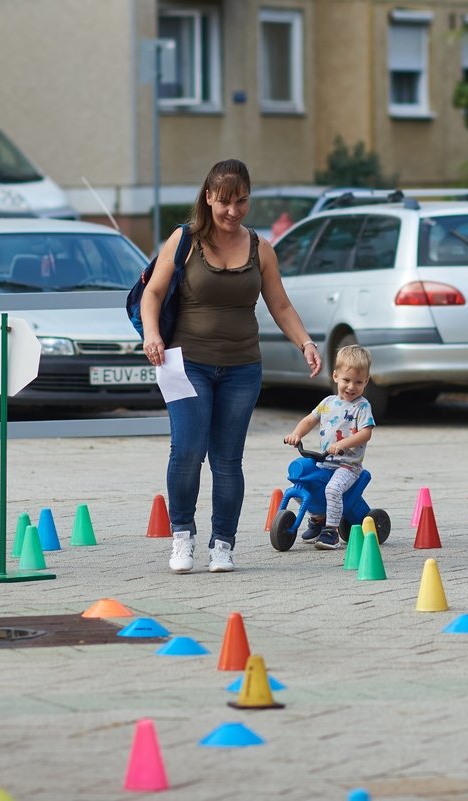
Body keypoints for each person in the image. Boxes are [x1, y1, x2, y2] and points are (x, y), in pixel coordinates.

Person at [141, 158, 322, 574]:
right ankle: (182, 536)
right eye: (224, 201)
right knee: (187, 452)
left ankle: (223, 543)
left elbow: (279, 304)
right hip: (187, 365)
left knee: (227, 460)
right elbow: (153, 293)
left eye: (241, 201)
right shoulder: (184, 241)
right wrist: (152, 334)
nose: (233, 211)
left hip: (242, 369)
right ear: (208, 197)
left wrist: (305, 342)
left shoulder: (260, 248)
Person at [282, 345, 376, 550]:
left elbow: (365, 433)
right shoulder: (327, 402)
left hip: (347, 466)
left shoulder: (362, 406)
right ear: (335, 376)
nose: (351, 387)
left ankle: (331, 532)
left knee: (333, 489)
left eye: (358, 382)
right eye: (346, 380)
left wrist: (343, 444)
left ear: (366, 381)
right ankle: (317, 519)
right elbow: (309, 420)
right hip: (325, 461)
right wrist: (296, 434)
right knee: (299, 486)